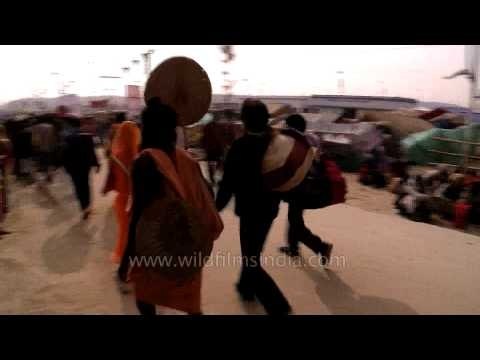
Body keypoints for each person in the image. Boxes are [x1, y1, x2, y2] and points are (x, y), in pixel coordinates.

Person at [118, 98, 223, 315]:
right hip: (188, 243)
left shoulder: (145, 162)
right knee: (190, 300)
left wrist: (126, 258)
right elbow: (207, 195)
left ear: (147, 128)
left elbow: (138, 214)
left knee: (145, 297)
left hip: (156, 245)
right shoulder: (187, 158)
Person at [216, 99, 292, 315]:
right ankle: (245, 287)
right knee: (253, 252)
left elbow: (228, 184)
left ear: (244, 121)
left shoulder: (240, 147)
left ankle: (278, 305)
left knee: (251, 257)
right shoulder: (276, 143)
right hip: (269, 209)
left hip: (249, 210)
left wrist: (214, 209)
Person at [278, 114, 333, 260]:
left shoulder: (295, 141)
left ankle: (321, 247)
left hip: (300, 186)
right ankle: (293, 248)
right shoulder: (312, 138)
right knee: (294, 217)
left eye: (286, 125)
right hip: (310, 185)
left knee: (295, 221)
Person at [104, 120, 141, 264]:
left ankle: (122, 258)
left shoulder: (116, 155)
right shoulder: (138, 155)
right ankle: (129, 262)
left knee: (124, 231)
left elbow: (111, 177)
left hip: (121, 199)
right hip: (135, 199)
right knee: (134, 232)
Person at [63, 117, 100, 219]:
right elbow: (92, 153)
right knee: (86, 185)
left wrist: (66, 167)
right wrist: (97, 164)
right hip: (85, 166)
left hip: (73, 168)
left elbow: (64, 154)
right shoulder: (87, 137)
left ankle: (83, 207)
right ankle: (87, 206)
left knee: (78, 187)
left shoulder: (67, 137)